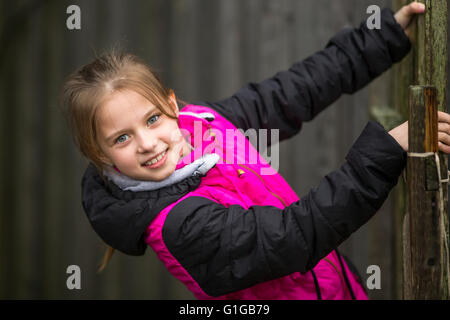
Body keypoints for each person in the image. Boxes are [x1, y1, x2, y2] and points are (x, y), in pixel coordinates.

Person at [62, 3, 449, 299]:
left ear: (172, 105)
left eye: (151, 120)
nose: (148, 143)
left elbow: (288, 95)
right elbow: (295, 236)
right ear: (100, 155)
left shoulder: (204, 123)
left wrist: (378, 38)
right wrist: (387, 148)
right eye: (121, 139)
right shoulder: (180, 227)